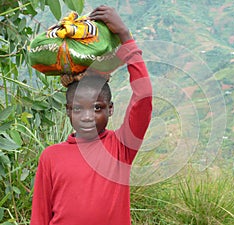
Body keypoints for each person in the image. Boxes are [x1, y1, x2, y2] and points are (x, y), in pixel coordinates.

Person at [30, 5, 152, 225]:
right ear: (68, 111)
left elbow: (144, 95)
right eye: (78, 108)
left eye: (97, 108)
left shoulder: (121, 148)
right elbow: (39, 216)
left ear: (110, 109)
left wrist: (124, 35)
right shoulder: (50, 157)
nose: (86, 116)